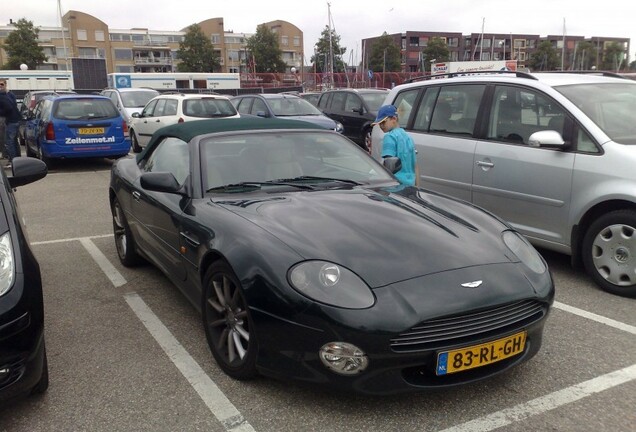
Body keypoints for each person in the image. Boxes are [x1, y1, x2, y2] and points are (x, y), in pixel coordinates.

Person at [372, 104, 418, 186]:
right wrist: (417, 186)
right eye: (379, 123)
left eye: (383, 122)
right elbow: (415, 166)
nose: (381, 126)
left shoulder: (389, 137)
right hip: (410, 184)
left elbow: (388, 165)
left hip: (396, 185)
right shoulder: (408, 137)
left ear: (394, 118)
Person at [0, 79, 21, 167]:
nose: (0, 86)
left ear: (5, 84)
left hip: (11, 121)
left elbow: (9, 107)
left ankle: (13, 161)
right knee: (14, 141)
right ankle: (18, 159)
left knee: (9, 142)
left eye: (1, 84)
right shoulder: (9, 94)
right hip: (16, 120)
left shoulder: (2, 95)